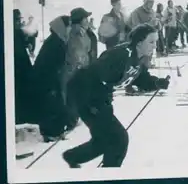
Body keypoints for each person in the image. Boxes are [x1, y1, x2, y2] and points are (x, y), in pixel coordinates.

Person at [61, 24, 170, 168]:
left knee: (103, 140)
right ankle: (110, 174)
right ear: (139, 42)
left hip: (98, 97)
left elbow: (140, 78)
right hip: (86, 94)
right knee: (118, 139)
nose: (154, 46)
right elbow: (92, 74)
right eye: (151, 42)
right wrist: (94, 104)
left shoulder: (137, 58)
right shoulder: (120, 54)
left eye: (156, 42)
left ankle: (73, 157)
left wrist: (157, 83)